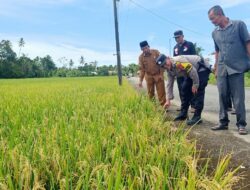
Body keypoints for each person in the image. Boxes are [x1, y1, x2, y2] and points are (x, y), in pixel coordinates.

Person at [208, 5, 250, 135]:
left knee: (238, 97)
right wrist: (215, 67)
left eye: (213, 18)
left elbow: (247, 43)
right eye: (210, 20)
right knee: (222, 96)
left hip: (237, 67)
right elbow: (217, 51)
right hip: (222, 68)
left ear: (220, 14)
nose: (212, 22)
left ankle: (241, 124)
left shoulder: (238, 25)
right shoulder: (214, 33)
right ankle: (223, 122)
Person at [156, 54, 211, 125]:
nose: (165, 66)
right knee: (184, 89)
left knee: (198, 91)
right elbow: (169, 84)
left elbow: (192, 70)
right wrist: (168, 100)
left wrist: (195, 85)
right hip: (190, 73)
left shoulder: (179, 61)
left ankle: (197, 117)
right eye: (163, 66)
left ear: (168, 58)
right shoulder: (169, 70)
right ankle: (183, 114)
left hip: (201, 67)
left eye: (165, 63)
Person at [173, 30, 197, 113]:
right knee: (181, 89)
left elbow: (195, 57)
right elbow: (174, 60)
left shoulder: (189, 44)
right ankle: (183, 105)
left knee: (191, 88)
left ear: (183, 36)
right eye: (175, 38)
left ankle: (193, 106)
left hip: (189, 71)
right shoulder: (175, 47)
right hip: (180, 72)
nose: (177, 39)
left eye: (178, 37)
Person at [138, 41, 166, 106]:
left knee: (161, 92)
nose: (145, 50)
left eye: (146, 48)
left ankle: (164, 106)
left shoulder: (155, 52)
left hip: (158, 75)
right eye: (143, 49)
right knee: (150, 93)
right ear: (141, 49)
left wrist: (161, 74)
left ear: (148, 46)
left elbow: (163, 62)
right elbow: (142, 70)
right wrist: (140, 81)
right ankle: (153, 106)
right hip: (149, 76)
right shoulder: (141, 57)